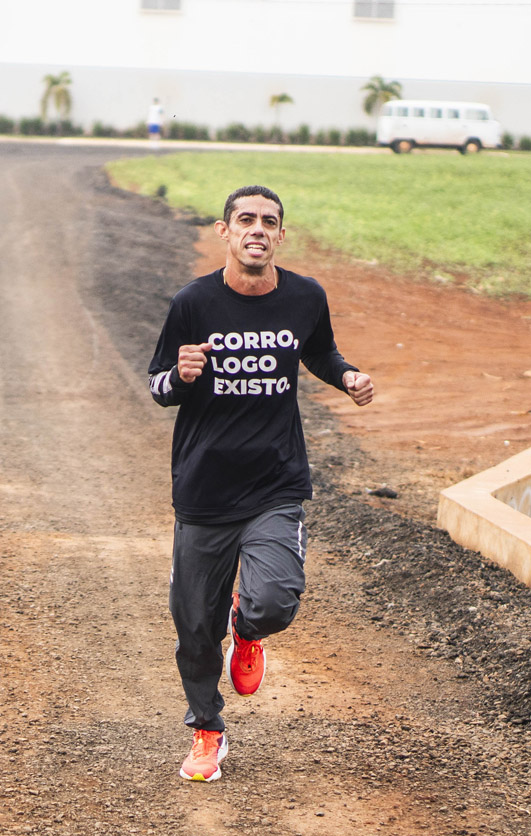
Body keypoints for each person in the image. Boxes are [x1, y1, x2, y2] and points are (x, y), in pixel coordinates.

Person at [148, 185, 374, 782]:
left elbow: (319, 352)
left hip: (275, 481)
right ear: (225, 231)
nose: (257, 229)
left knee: (273, 600)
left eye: (268, 221)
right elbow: (157, 384)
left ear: (280, 235)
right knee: (195, 627)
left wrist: (348, 376)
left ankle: (247, 631)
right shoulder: (193, 302)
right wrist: (180, 376)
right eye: (245, 219)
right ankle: (207, 729)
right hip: (204, 489)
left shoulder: (304, 296)